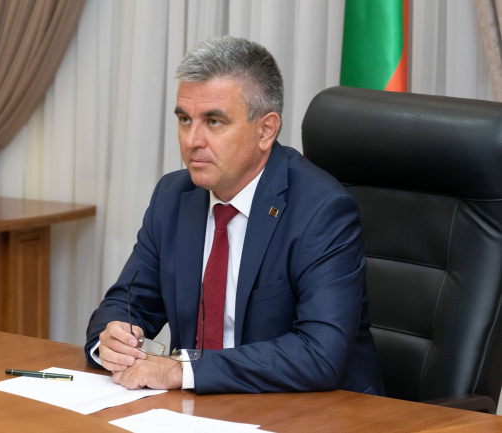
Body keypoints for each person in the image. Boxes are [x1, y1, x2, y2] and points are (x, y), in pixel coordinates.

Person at [85, 35, 385, 395]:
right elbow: (126, 303)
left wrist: (184, 370)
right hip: (200, 408)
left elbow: (320, 354)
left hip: (316, 410)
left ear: (266, 130)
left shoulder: (321, 210)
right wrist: (113, 338)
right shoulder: (173, 196)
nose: (191, 140)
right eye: (185, 119)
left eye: (213, 121)